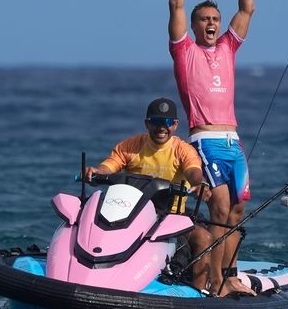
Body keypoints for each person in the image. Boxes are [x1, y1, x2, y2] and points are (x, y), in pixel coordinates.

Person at [167, 0, 257, 297]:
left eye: (215, 20)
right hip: (205, 142)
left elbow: (248, 8)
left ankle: (230, 275)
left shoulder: (227, 48)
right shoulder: (184, 51)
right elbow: (175, 4)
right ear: (193, 25)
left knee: (236, 210)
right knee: (218, 208)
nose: (211, 24)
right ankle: (216, 282)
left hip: (233, 142)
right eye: (204, 19)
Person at [83, 97, 213, 292]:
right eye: (156, 122)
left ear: (175, 125)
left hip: (172, 217)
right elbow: (108, 166)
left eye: (167, 123)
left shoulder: (183, 150)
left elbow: (194, 171)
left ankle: (198, 293)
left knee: (203, 237)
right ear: (147, 123)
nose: (162, 128)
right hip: (131, 215)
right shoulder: (130, 146)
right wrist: (96, 171)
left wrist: (199, 184)